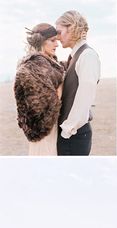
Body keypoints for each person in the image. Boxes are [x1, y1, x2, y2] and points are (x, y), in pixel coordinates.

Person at [14, 23, 65, 156]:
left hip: (52, 128)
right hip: (42, 130)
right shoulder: (32, 67)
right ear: (41, 42)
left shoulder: (48, 63)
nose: (57, 44)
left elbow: (55, 74)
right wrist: (60, 87)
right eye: (52, 40)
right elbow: (41, 104)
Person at [56, 10, 101, 156]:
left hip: (74, 136)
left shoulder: (87, 56)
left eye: (59, 32)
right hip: (70, 133)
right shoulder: (74, 55)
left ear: (72, 28)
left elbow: (84, 99)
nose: (57, 37)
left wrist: (66, 131)